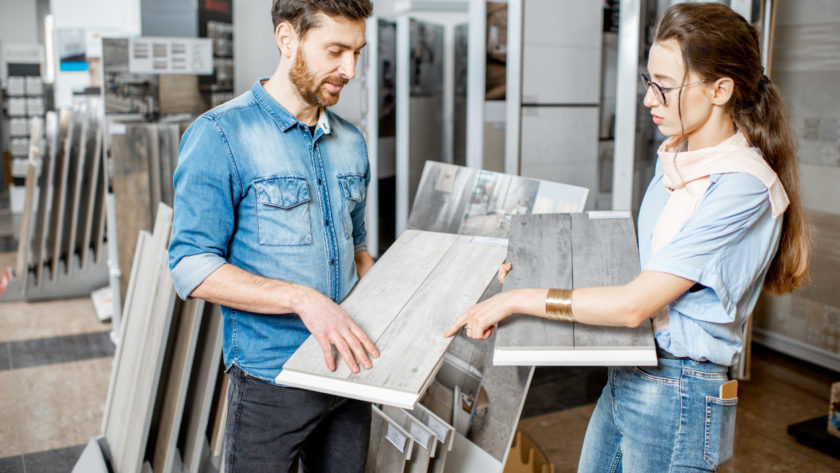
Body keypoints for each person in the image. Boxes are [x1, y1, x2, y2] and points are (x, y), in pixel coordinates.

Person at [445, 3, 810, 472]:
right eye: (648, 82)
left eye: (665, 86)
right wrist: (533, 266)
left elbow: (635, 303)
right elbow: (635, 268)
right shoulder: (677, 161)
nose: (648, 100)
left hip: (679, 389)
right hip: (632, 372)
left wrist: (517, 299)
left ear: (721, 90)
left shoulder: (742, 186)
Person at [168, 1, 379, 471]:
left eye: (358, 53)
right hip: (271, 380)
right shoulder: (220, 135)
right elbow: (191, 266)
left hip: (349, 375)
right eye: (336, 51)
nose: (350, 69)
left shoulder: (351, 141)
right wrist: (302, 299)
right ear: (287, 40)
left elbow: (358, 248)